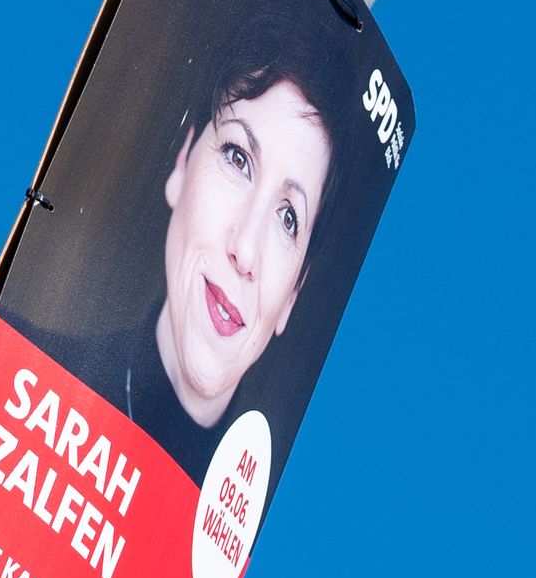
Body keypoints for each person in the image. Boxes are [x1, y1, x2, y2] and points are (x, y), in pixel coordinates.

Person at [62, 43, 341, 481]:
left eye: (288, 217)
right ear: (182, 162)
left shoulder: (270, 518)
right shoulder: (16, 384)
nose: (245, 250)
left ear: (293, 295)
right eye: (238, 158)